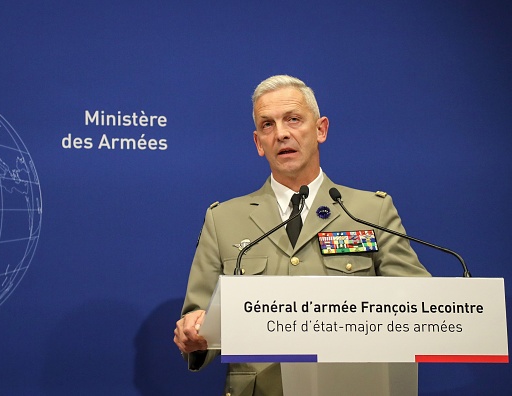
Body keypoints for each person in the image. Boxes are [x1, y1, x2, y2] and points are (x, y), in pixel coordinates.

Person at [173, 75, 430, 396]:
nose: (281, 133)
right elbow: (198, 320)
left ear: (321, 129)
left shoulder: (370, 211)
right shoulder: (223, 219)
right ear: (258, 143)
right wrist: (194, 333)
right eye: (267, 125)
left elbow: (418, 306)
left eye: (293, 119)